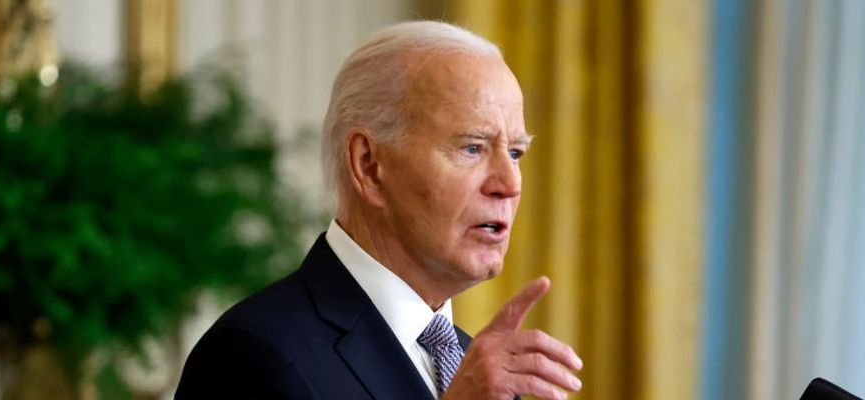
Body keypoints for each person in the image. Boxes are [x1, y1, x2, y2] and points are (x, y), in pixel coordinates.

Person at [175, 21, 583, 400]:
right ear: (369, 165)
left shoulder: (475, 369)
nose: (510, 184)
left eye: (515, 153)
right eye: (472, 148)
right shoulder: (252, 355)